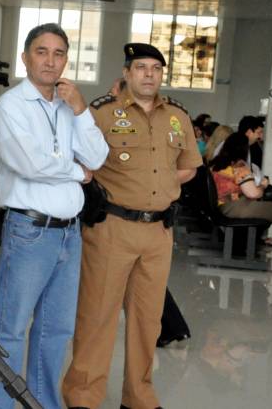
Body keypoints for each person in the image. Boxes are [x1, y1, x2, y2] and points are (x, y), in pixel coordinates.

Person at [63, 43, 202, 409]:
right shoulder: (102, 113)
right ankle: (83, 397)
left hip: (158, 233)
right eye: (141, 67)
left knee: (148, 321)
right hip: (112, 227)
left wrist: (161, 184)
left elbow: (189, 166)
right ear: (126, 72)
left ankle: (139, 397)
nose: (149, 74)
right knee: (97, 317)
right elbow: (80, 162)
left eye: (156, 68)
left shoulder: (177, 116)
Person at [0, 23, 108, 409]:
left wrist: (81, 109)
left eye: (59, 53)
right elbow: (29, 163)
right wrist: (75, 171)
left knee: (56, 330)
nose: (50, 61)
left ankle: (42, 404)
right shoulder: (11, 106)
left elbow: (98, 156)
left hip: (69, 234)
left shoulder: (68, 107)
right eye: (42, 51)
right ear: (25, 57)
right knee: (10, 330)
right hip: (31, 231)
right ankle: (0, 405)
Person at [210, 132, 272, 244]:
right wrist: (263, 186)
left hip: (223, 205)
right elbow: (253, 194)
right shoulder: (239, 166)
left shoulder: (216, 163)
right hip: (233, 206)